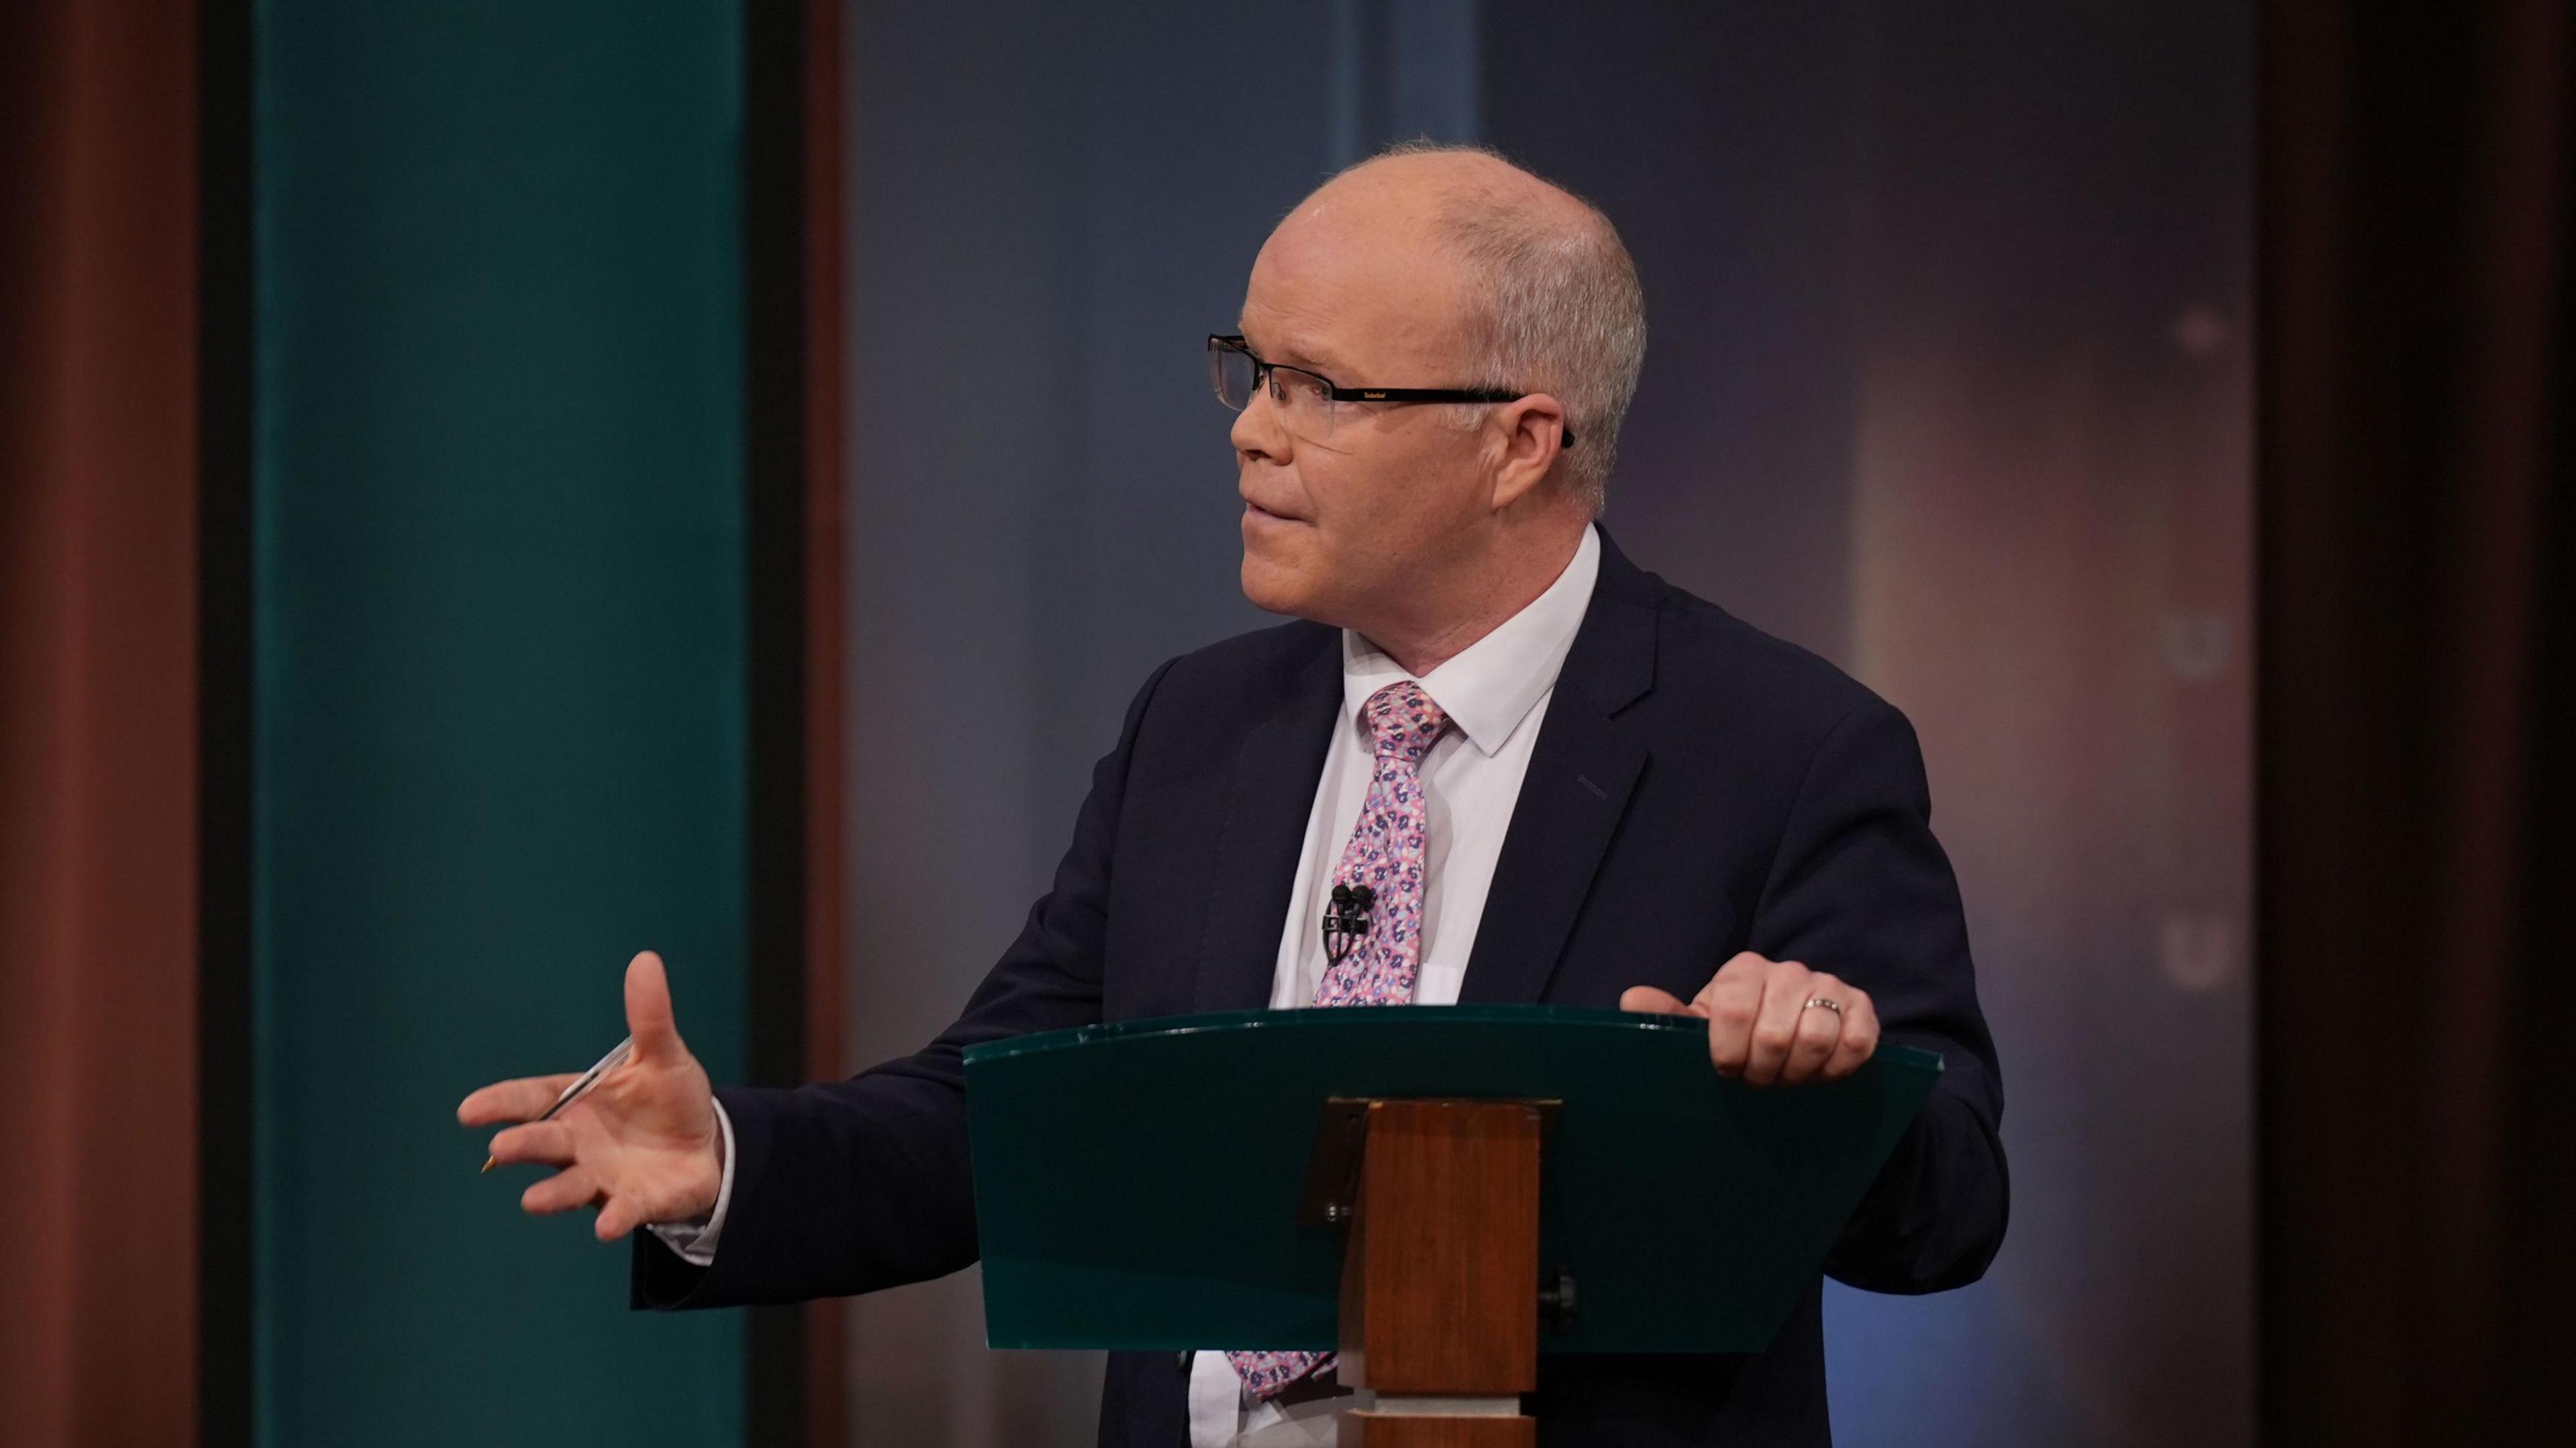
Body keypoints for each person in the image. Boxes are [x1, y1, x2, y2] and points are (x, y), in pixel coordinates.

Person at [460, 142, 2006, 1447]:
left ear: (1520, 444)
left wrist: (1828, 1097)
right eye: (1248, 369)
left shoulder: (1786, 747)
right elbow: (1006, 1117)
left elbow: (1955, 1204)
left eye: (1321, 388)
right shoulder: (1198, 729)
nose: (1251, 429)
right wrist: (724, 1162)